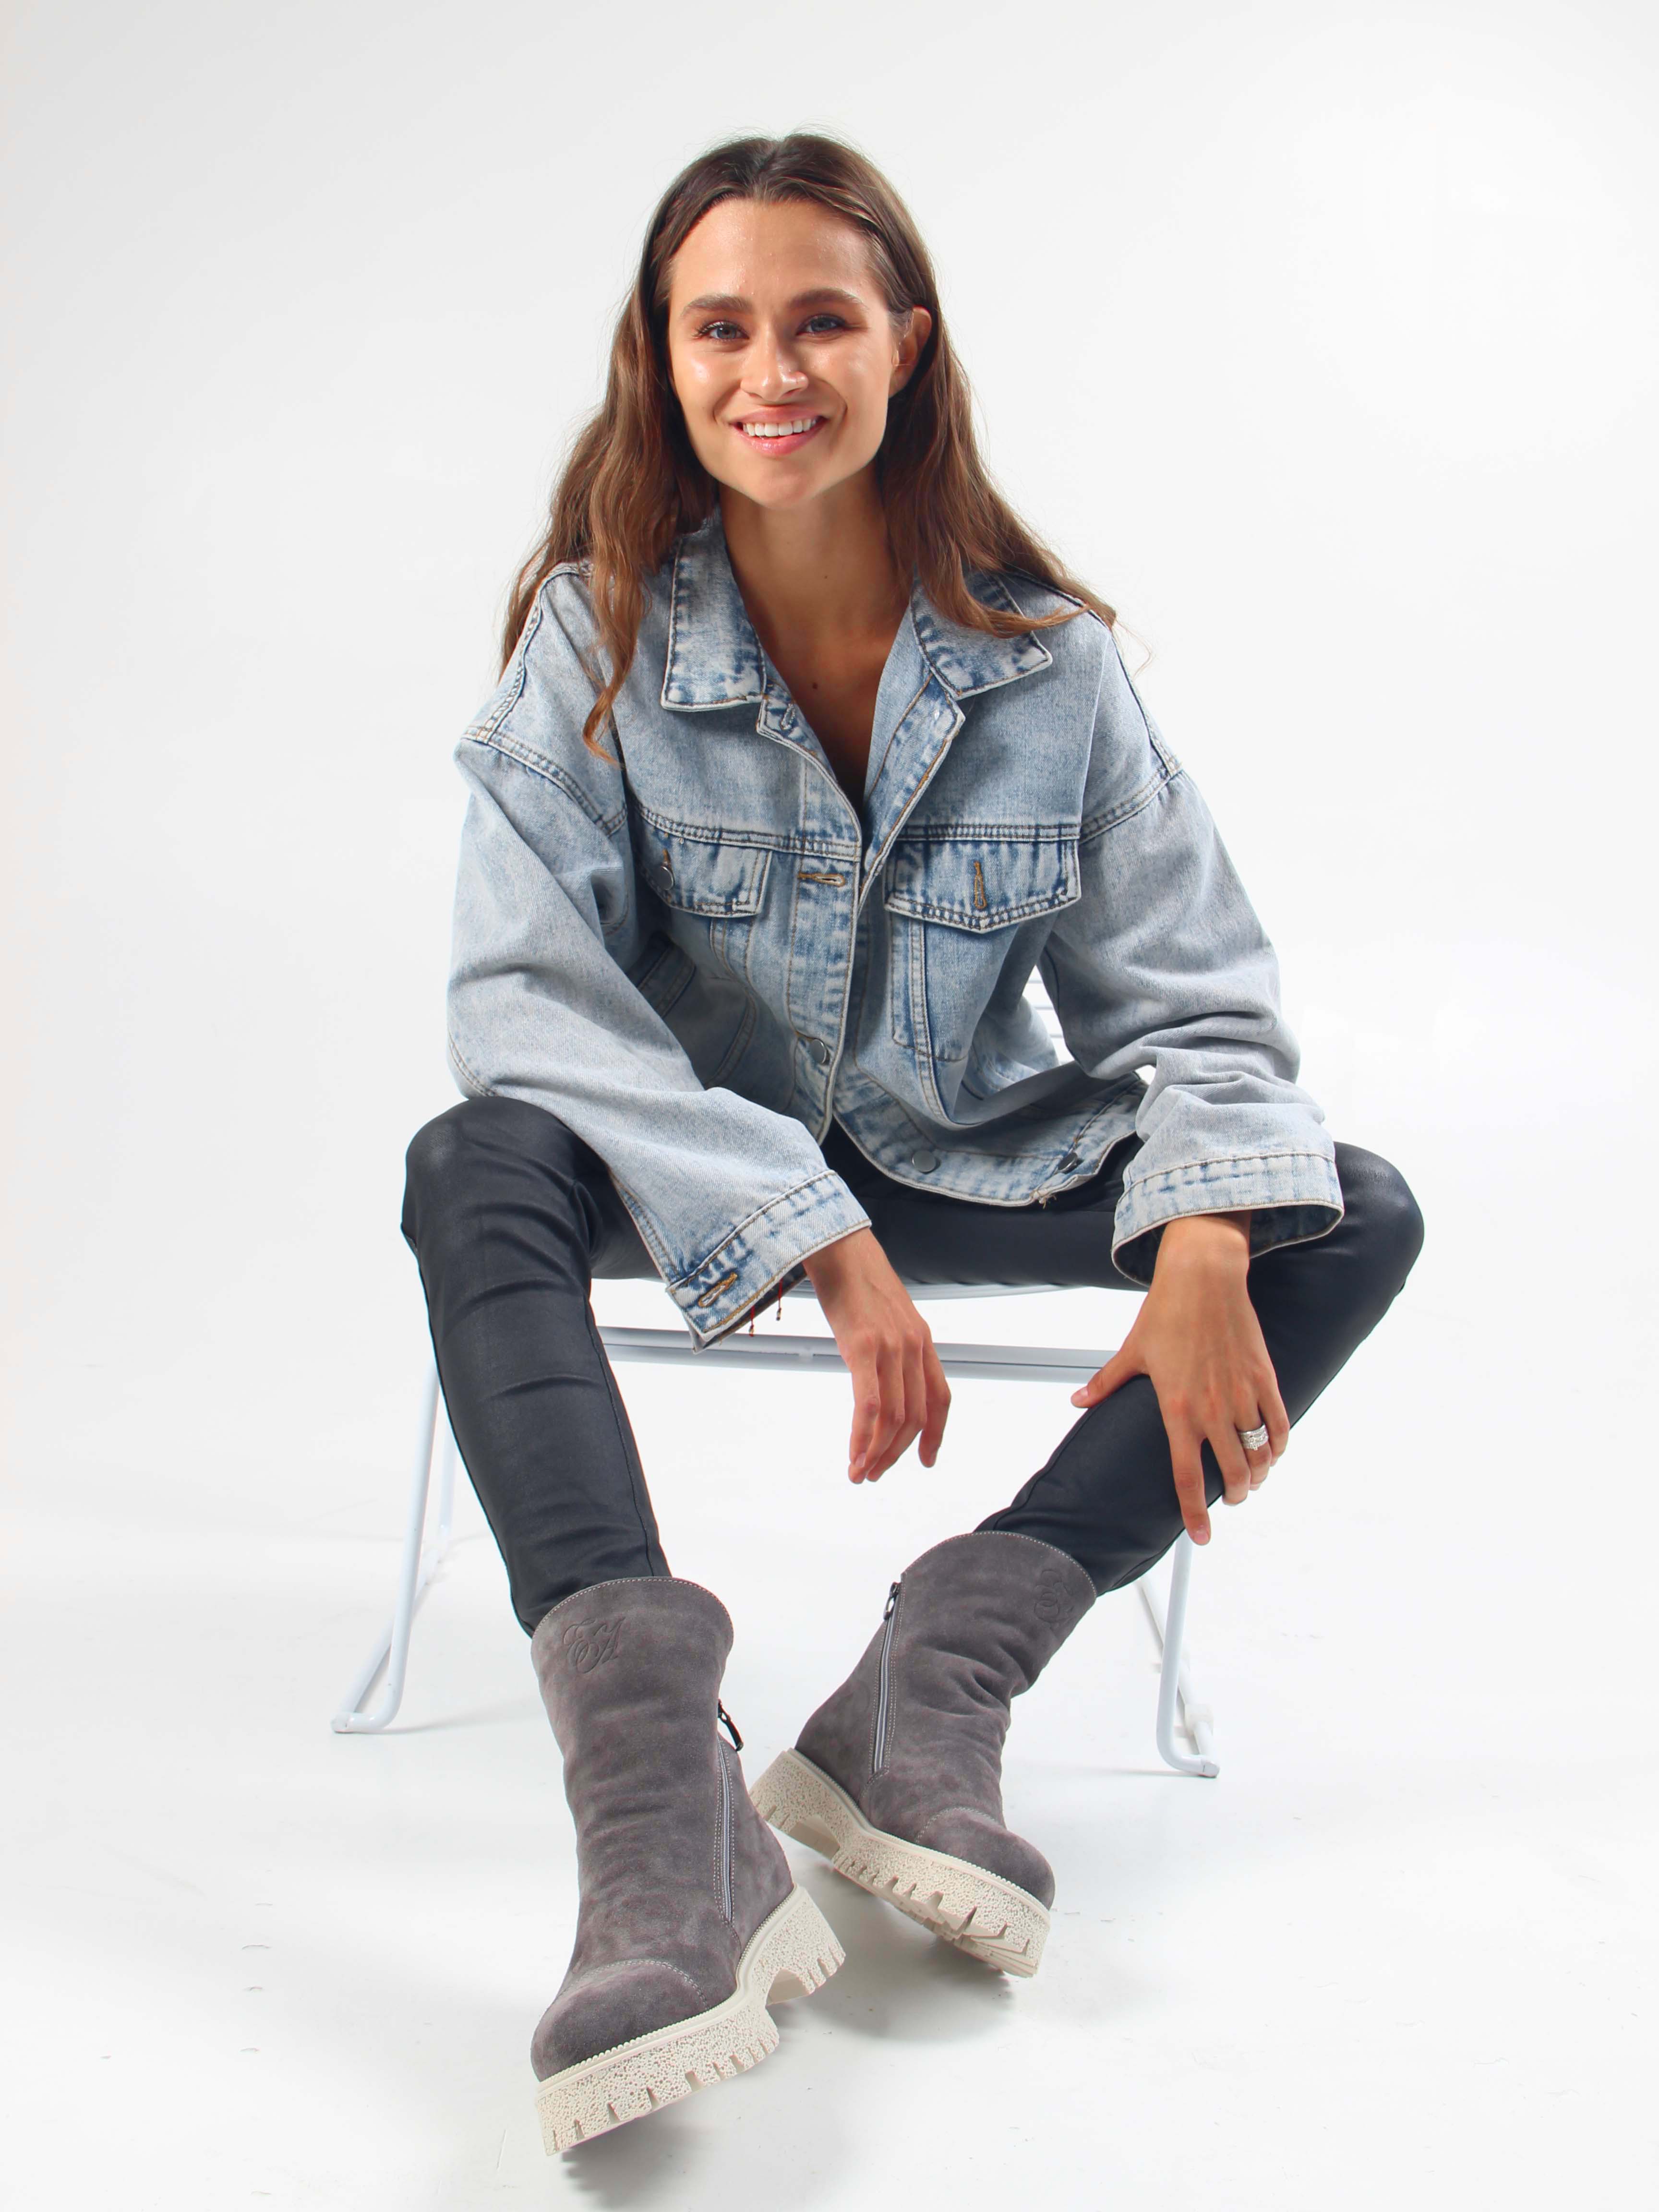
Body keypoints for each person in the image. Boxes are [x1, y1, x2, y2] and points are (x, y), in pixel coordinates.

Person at [400, 130, 1425, 2155]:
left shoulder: (1049, 664)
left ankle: (938, 1674)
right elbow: (525, 1004)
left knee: (1347, 1212)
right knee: (472, 1162)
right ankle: (661, 1812)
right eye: (719, 328)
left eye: (820, 321)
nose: (770, 371)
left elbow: (1198, 999)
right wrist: (803, 1224)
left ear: (907, 346)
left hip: (965, 1147)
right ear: (662, 357)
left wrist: (1204, 1241)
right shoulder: (597, 636)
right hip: (686, 1169)